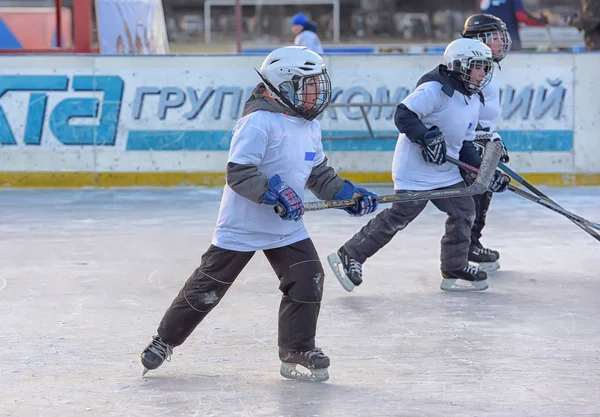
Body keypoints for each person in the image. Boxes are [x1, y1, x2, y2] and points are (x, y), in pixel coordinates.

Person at [140, 46, 378, 382]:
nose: (317, 93)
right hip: (243, 226)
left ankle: (298, 347)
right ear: (285, 84)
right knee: (206, 290)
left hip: (286, 227)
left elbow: (317, 174)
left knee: (308, 277)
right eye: (309, 85)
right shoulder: (259, 121)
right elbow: (239, 173)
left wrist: (346, 195)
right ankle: (164, 340)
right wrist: (274, 192)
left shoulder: (309, 126)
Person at [328, 38, 511, 293]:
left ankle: (454, 267)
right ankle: (350, 254)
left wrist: (485, 172)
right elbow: (403, 114)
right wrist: (425, 137)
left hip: (446, 173)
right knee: (401, 215)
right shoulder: (435, 89)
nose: (483, 74)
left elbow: (466, 146)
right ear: (459, 65)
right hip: (415, 171)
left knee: (464, 210)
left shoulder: (471, 99)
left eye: (485, 68)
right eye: (477, 67)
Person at [460, 14, 512, 272]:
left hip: (482, 140)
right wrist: (480, 140)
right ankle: (466, 246)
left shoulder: (490, 66)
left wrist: (494, 139)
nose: (501, 42)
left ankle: (472, 242)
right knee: (474, 195)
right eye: (495, 37)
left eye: (502, 36)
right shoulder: (470, 66)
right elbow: (463, 109)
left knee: (484, 192)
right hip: (470, 143)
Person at [479, 0, 548, 51]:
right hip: (509, 41)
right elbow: (521, 16)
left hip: (488, 43)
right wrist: (540, 22)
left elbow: (480, 18)